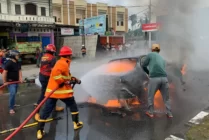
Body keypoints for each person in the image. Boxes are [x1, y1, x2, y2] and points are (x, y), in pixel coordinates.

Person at [37, 46, 83, 139]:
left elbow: (64, 75)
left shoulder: (62, 62)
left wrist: (73, 79)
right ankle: (76, 124)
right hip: (61, 91)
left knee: (46, 111)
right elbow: (55, 74)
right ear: (69, 55)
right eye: (70, 55)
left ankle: (39, 131)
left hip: (52, 93)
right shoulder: (63, 63)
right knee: (73, 106)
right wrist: (61, 82)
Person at [142, 44, 173, 118]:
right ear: (159, 50)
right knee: (166, 98)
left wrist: (148, 72)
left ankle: (151, 112)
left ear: (152, 49)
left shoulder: (150, 55)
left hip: (154, 79)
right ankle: (169, 113)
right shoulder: (162, 58)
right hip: (164, 78)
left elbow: (143, 65)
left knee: (150, 96)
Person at [34, 44, 64, 121]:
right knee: (45, 94)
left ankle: (54, 107)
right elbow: (55, 69)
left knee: (51, 92)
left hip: (42, 76)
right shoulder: (53, 58)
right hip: (47, 77)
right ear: (53, 51)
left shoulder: (44, 56)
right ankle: (36, 111)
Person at [2, 50, 22, 114]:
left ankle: (13, 104)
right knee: (12, 93)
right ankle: (11, 108)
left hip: (16, 81)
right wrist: (5, 82)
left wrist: (20, 78)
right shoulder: (9, 63)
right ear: (13, 56)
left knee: (14, 93)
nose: (18, 57)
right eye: (17, 55)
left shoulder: (18, 62)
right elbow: (4, 73)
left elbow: (19, 71)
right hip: (10, 82)